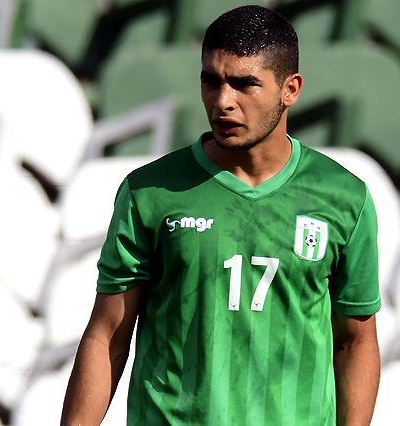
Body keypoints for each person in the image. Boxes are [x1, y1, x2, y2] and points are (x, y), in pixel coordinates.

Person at [61, 5, 381, 426]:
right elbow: (107, 336)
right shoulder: (149, 192)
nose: (223, 101)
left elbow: (355, 343)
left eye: (245, 84)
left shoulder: (344, 198)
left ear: (290, 89)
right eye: (211, 81)